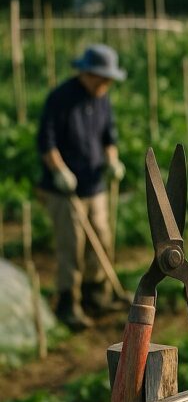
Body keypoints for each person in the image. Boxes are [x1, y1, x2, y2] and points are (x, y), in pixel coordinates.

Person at [37, 44, 127, 331]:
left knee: (101, 237)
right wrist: (60, 170)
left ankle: (96, 294)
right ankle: (68, 303)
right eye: (102, 79)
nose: (105, 85)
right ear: (87, 74)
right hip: (65, 189)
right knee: (71, 245)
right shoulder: (60, 98)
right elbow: (46, 142)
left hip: (94, 184)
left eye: (108, 81)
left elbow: (109, 136)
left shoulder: (102, 99)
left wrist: (112, 160)